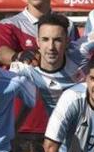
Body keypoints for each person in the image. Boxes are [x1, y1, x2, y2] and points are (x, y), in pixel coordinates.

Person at [8, 13, 86, 145]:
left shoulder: (82, 52)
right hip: (54, 138)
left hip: (86, 136)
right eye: (45, 39)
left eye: (57, 40)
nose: (51, 47)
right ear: (37, 41)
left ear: (67, 41)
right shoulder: (24, 68)